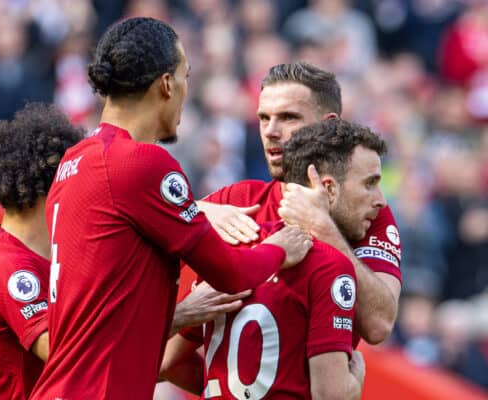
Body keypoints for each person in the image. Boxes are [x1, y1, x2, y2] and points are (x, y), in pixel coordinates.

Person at [30, 17, 311, 400]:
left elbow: (106, 302)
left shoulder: (74, 162)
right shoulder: (143, 163)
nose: (184, 91)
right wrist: (282, 249)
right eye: (185, 77)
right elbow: (231, 273)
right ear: (165, 84)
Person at [162, 119, 386, 399]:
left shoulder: (236, 248)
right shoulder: (331, 264)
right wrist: (355, 382)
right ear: (328, 188)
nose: (381, 200)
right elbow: (331, 396)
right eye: (370, 184)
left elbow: (168, 363)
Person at [193, 62, 402, 345]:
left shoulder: (365, 208)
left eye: (288, 117)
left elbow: (379, 325)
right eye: (264, 118)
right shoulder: (235, 203)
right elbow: (169, 360)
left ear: (328, 124)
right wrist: (198, 209)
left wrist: (321, 226)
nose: (271, 131)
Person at [0, 103, 85, 399]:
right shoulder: (6, 267)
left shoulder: (31, 258)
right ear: (48, 189)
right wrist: (176, 318)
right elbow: (65, 353)